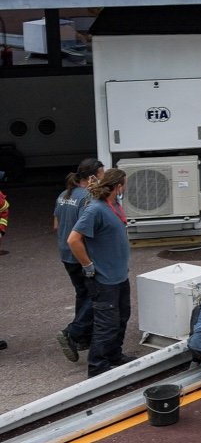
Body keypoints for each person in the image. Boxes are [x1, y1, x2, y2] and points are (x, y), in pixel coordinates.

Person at [67, 168, 135, 377]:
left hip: (119, 276)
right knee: (106, 324)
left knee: (122, 317)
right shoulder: (95, 210)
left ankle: (114, 355)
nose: (125, 188)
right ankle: (97, 367)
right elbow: (73, 240)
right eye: (124, 184)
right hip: (104, 280)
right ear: (118, 187)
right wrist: (88, 266)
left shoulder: (114, 205)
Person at [53, 157, 101, 362]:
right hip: (81, 254)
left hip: (66, 253)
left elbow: (56, 225)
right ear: (92, 177)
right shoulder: (88, 197)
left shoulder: (64, 195)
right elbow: (86, 229)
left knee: (82, 293)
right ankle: (72, 332)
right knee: (96, 294)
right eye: (102, 174)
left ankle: (83, 337)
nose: (103, 178)